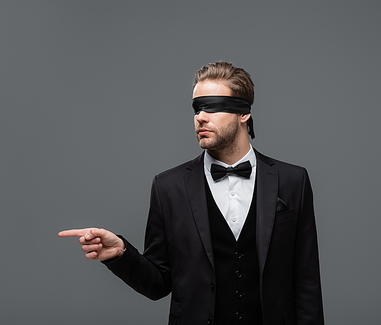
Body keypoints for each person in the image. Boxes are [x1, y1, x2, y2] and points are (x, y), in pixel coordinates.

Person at [59, 61, 324, 325]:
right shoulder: (168, 187)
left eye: (213, 106)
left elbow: (307, 279)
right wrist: (121, 253)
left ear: (244, 113)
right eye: (197, 108)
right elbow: (158, 283)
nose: (200, 116)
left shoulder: (292, 180)